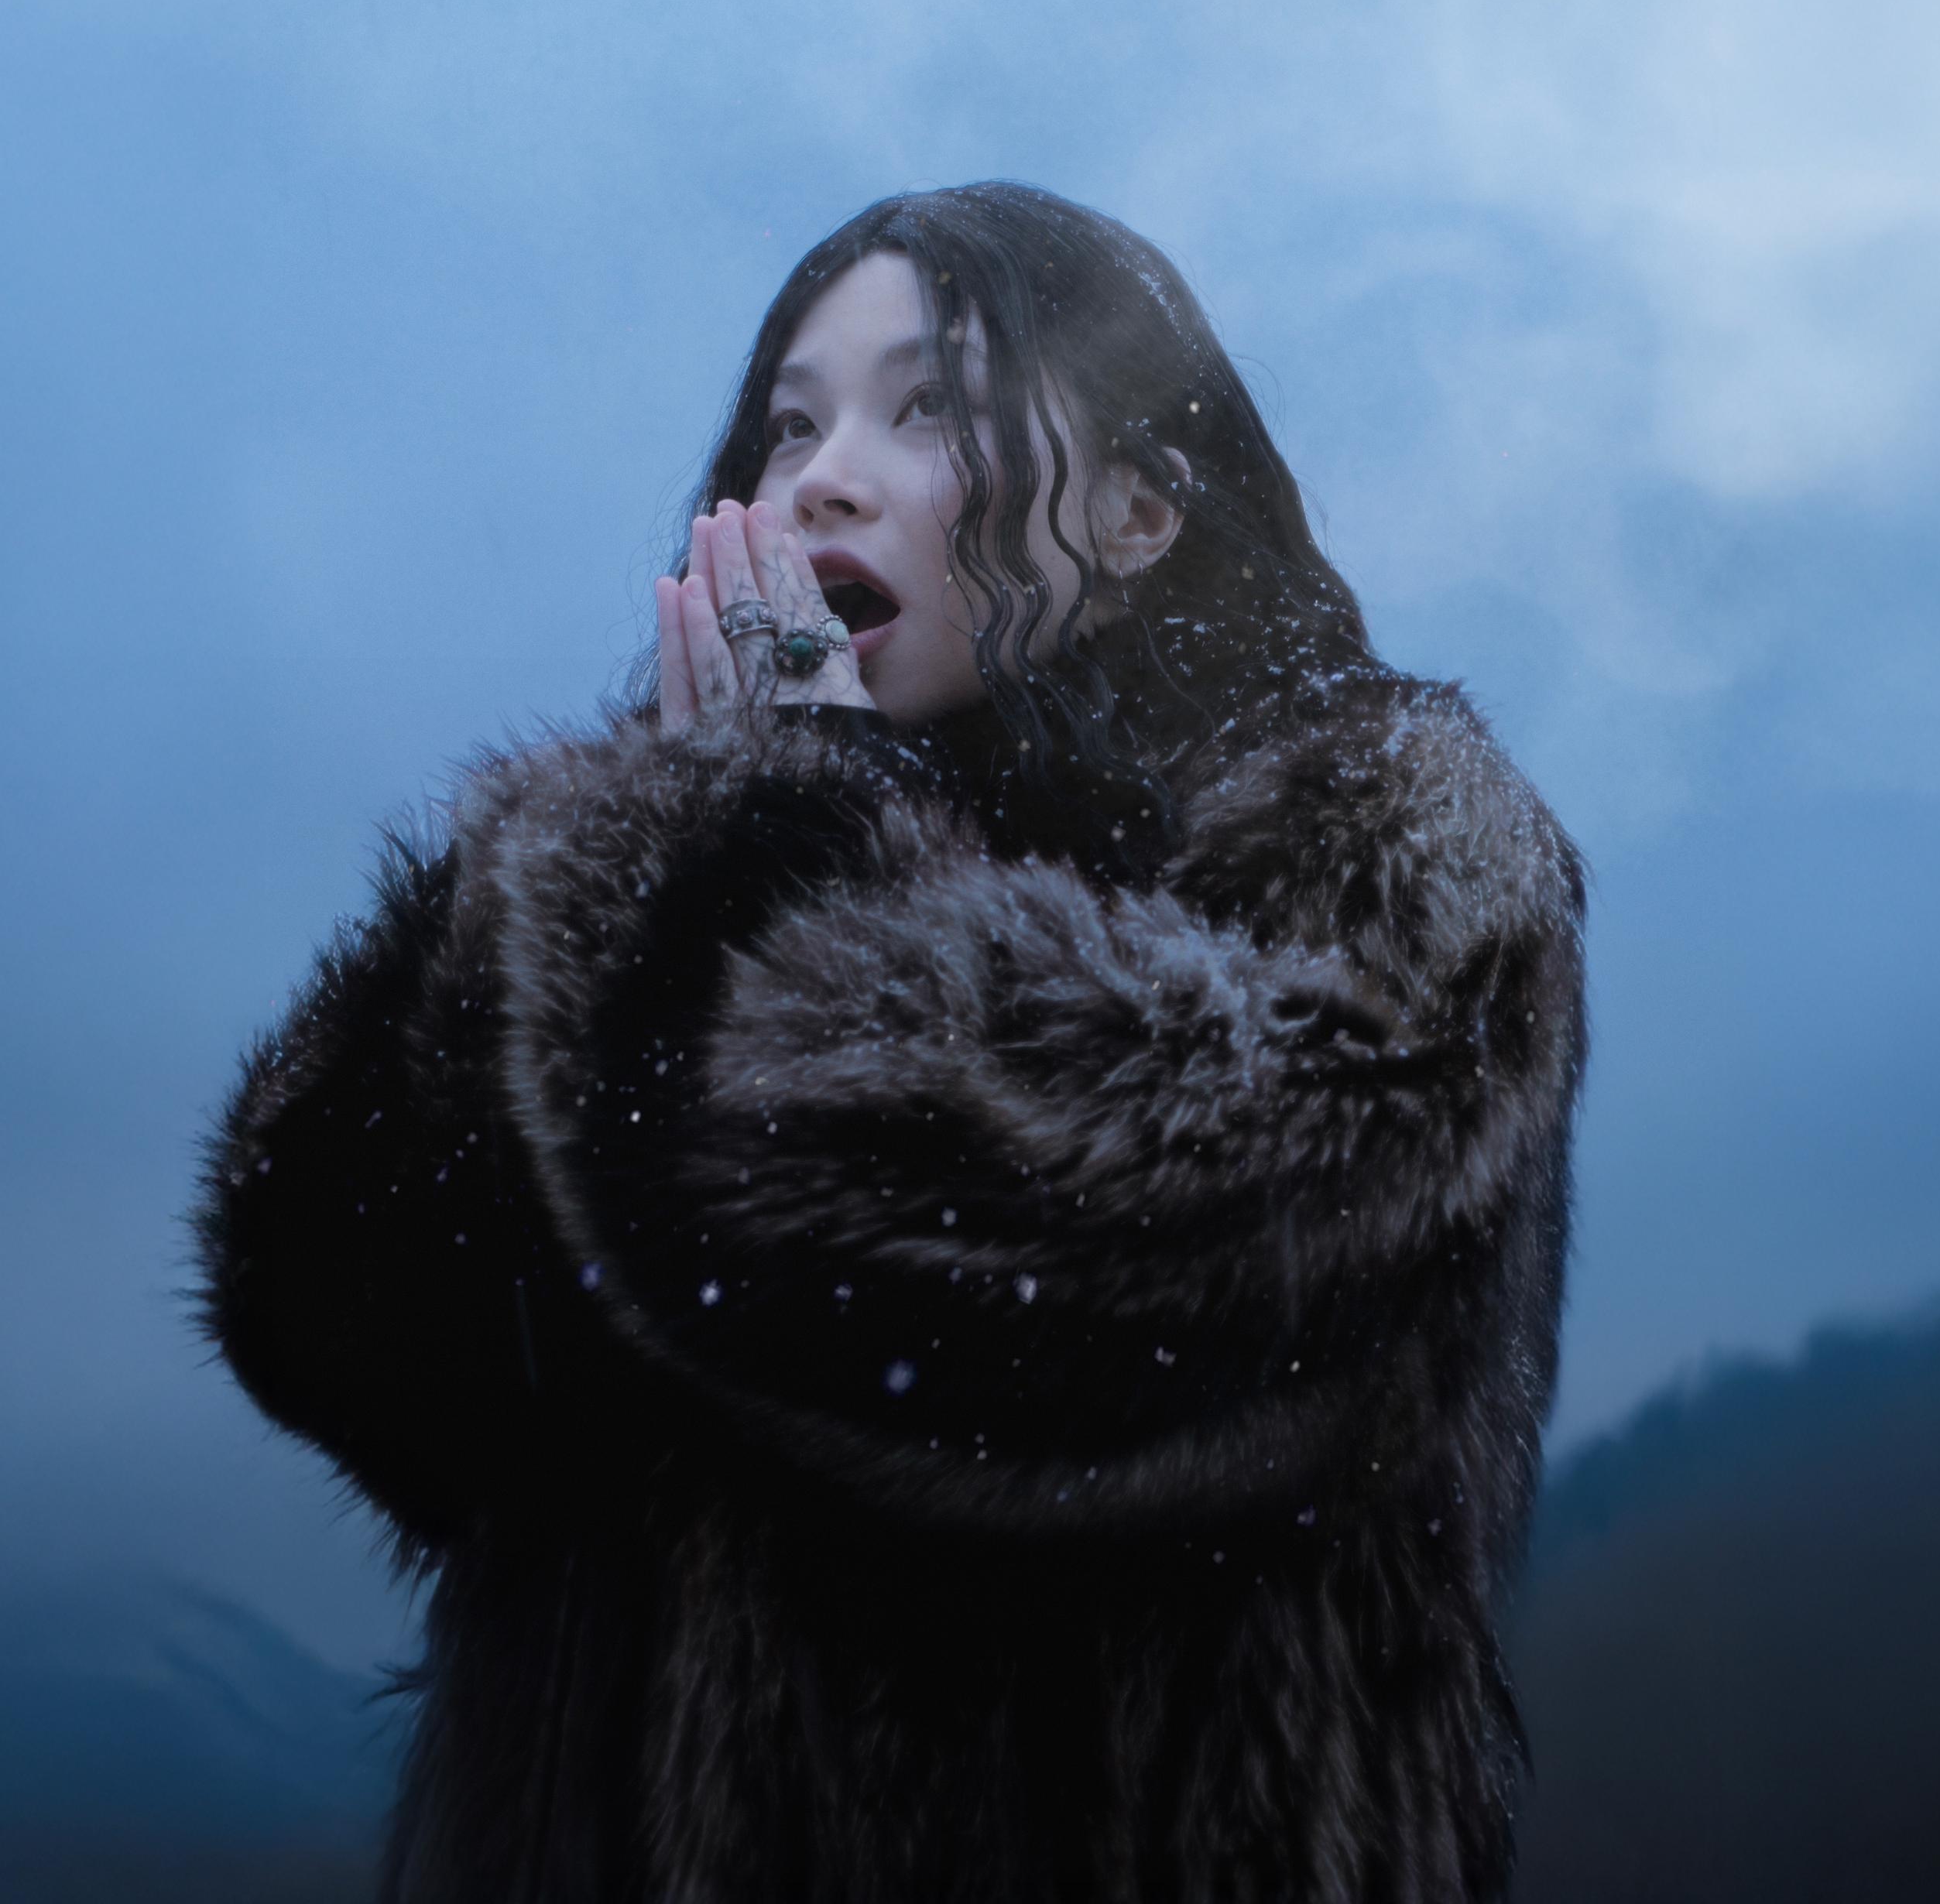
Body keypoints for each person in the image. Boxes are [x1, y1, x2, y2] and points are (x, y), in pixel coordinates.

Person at [192, 181, 1589, 1902]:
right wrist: (612, 868)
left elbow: (1046, 1280)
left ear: (1142, 509)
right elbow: (336, 1325)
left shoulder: (1389, 839)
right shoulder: (662, 878)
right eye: (788, 427)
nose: (820, 479)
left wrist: (780, 832)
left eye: (931, 408)